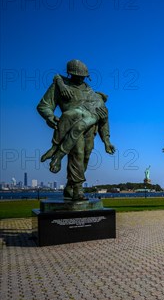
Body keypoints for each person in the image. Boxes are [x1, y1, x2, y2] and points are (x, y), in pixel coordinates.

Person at [37, 59, 116, 201]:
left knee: (85, 157)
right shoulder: (60, 86)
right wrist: (50, 116)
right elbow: (44, 106)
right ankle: (78, 189)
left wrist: (106, 140)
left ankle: (70, 186)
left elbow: (104, 118)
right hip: (71, 127)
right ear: (70, 74)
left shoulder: (92, 92)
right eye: (76, 76)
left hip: (90, 130)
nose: (80, 79)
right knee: (77, 155)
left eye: (82, 77)